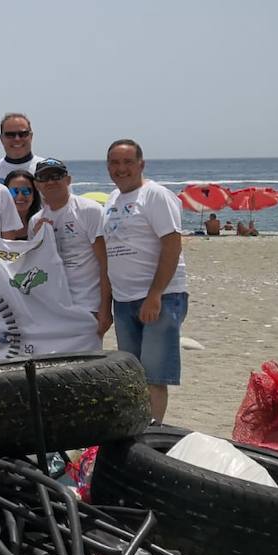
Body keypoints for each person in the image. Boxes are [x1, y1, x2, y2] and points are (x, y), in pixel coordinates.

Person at [100, 139, 188, 422]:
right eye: (115, 163)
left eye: (127, 162)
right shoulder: (112, 200)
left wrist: (155, 294)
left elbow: (172, 245)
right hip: (124, 301)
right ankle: (137, 426)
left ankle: (154, 430)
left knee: (154, 375)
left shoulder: (155, 195)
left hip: (159, 298)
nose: (121, 168)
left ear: (141, 164)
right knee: (132, 374)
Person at [29, 158, 112, 336]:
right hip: (54, 307)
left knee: (87, 361)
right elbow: (35, 267)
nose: (51, 181)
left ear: (68, 180)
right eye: (44, 177)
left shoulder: (89, 210)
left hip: (87, 305)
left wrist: (105, 308)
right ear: (37, 185)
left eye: (56, 176)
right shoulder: (35, 221)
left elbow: (105, 263)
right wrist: (37, 240)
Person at [0, 113, 45, 183]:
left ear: (31, 136)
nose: (17, 139)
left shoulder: (47, 170)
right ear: (1, 139)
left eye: (22, 134)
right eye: (10, 135)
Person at [3, 170, 42, 240]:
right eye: (14, 191)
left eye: (26, 191)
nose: (20, 196)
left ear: (34, 194)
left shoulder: (42, 221)